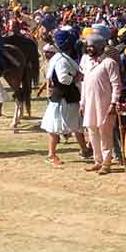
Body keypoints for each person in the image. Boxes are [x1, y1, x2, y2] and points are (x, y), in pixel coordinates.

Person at [41, 29, 88, 166]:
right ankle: (51, 155)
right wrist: (76, 78)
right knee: (55, 128)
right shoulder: (61, 60)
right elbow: (63, 78)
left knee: (77, 125)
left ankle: (84, 150)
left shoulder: (62, 57)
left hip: (70, 96)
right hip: (63, 97)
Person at [80, 31, 122, 175]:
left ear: (99, 47)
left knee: (105, 133)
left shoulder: (109, 63)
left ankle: (106, 162)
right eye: (87, 47)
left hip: (105, 104)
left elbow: (116, 84)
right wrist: (82, 103)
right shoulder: (87, 62)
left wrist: (114, 103)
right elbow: (84, 84)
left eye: (92, 46)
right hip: (90, 104)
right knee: (92, 131)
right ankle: (97, 161)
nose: (89, 49)